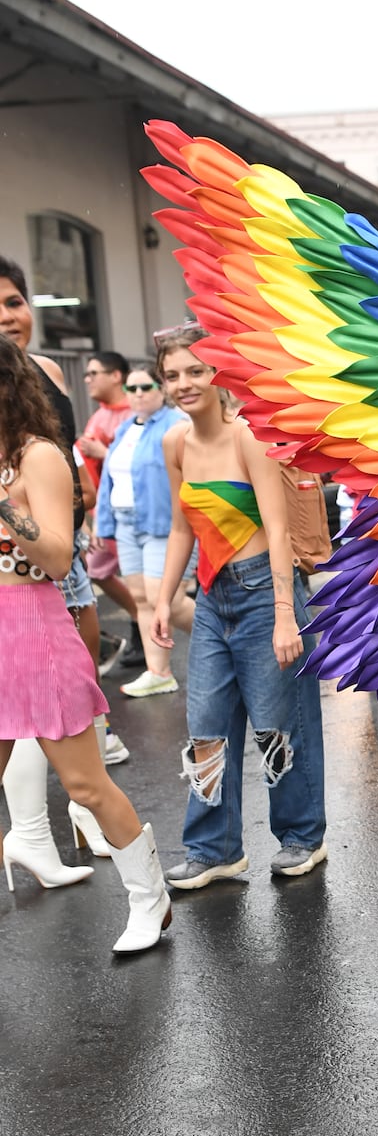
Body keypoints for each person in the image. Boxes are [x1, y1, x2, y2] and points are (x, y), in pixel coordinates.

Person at [0, 335, 171, 949]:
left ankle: (150, 900)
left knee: (84, 785)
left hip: (37, 625)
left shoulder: (39, 456)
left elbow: (53, 555)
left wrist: (4, 506)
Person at [150, 326, 327, 885]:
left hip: (263, 593)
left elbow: (277, 530)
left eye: (196, 371)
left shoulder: (248, 436)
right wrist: (161, 599)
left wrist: (283, 614)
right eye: (173, 374)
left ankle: (302, 837)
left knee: (279, 727)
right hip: (211, 598)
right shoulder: (174, 443)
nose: (185, 384)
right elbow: (183, 527)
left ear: (218, 374)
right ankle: (214, 848)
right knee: (205, 728)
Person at [0, 256, 125, 880]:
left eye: (15, 302)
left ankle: (81, 820)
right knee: (19, 712)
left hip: (57, 556)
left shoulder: (47, 376)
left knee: (64, 711)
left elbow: (66, 470)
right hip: (17, 576)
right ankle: (29, 836)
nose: (7, 316)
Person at [94, 363, 193, 696]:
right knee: (140, 599)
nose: (137, 394)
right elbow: (112, 477)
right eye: (131, 389)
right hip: (125, 521)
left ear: (160, 389)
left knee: (168, 599)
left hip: (161, 522)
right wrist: (101, 520)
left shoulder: (176, 425)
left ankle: (228, 642)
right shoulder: (124, 429)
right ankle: (158, 671)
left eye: (145, 387)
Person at [78, 351, 147, 659]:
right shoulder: (98, 415)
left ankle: (148, 635)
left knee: (146, 582)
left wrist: (102, 451)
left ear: (116, 375)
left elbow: (147, 461)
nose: (87, 379)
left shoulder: (136, 412)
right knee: (97, 569)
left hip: (137, 513)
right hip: (105, 513)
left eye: (94, 372)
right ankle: (139, 621)